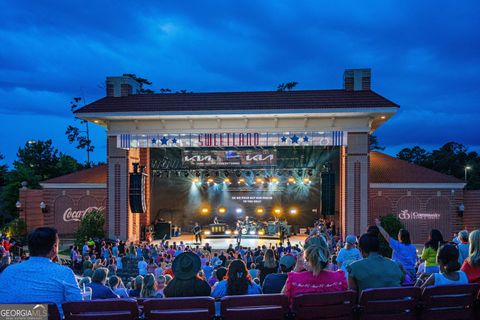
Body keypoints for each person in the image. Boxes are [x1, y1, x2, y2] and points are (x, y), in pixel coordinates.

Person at [0, 227, 81, 317]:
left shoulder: (7, 272)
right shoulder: (65, 273)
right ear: (54, 247)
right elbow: (77, 308)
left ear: (30, 247)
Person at [283, 235, 347, 306]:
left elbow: (281, 301)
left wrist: (296, 269)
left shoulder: (294, 280)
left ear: (306, 257)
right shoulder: (339, 279)